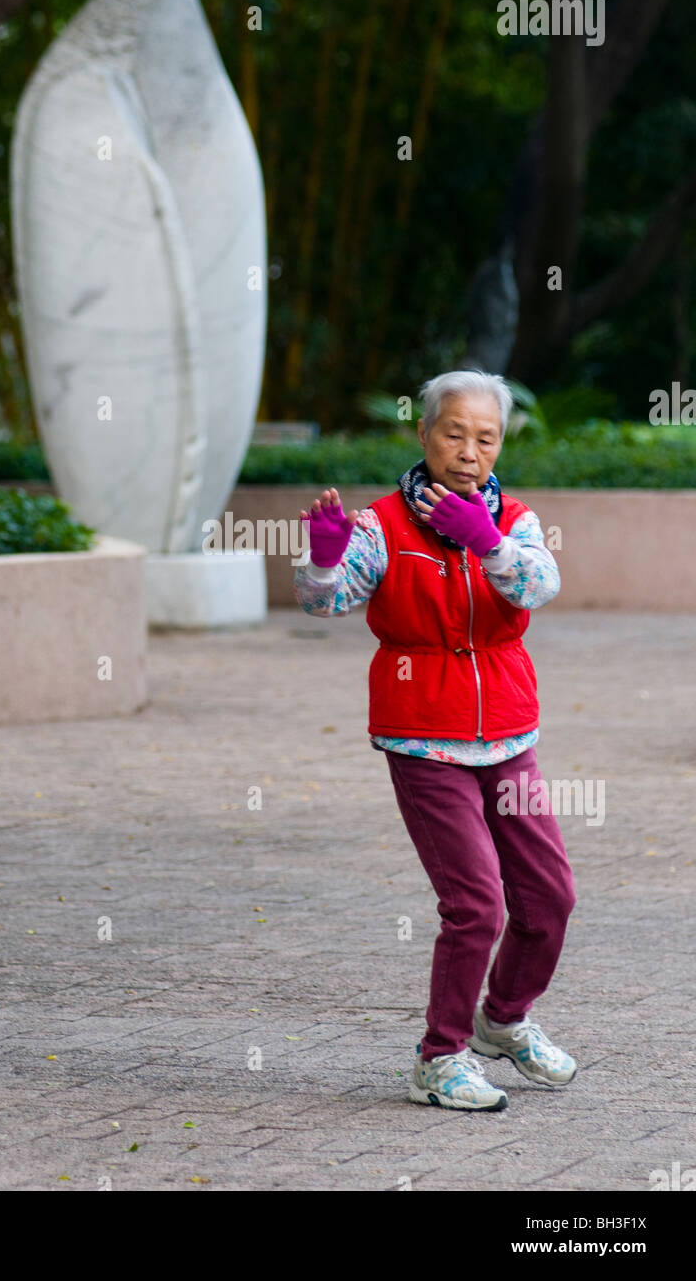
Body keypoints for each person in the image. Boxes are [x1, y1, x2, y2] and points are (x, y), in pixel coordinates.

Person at [293, 369, 577, 1112]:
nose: (468, 450)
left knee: (548, 897)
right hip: (423, 739)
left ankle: (503, 1021)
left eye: (485, 438)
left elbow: (537, 587)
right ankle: (440, 1057)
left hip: (508, 732)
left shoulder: (511, 519)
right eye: (453, 433)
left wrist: (483, 541)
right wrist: (323, 557)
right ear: (423, 435)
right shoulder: (380, 523)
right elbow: (325, 601)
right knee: (476, 904)